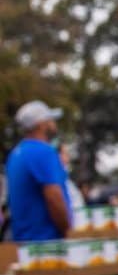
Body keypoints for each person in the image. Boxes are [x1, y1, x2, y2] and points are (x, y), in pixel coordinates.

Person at [4, 101, 71, 241]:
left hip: (24, 243)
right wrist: (67, 231)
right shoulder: (42, 151)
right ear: (41, 124)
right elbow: (54, 197)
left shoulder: (16, 154)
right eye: (50, 120)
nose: (54, 124)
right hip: (46, 243)